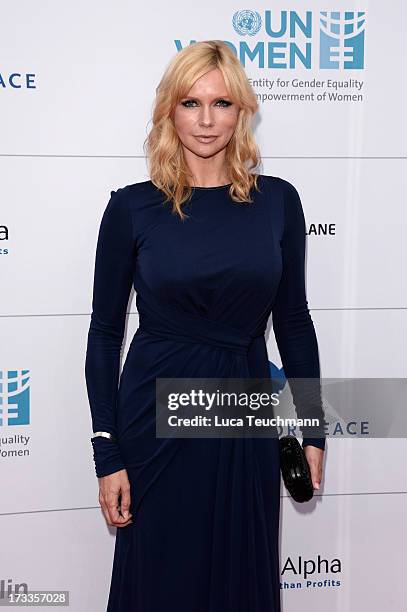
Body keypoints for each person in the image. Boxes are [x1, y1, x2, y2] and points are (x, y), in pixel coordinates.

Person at [85, 39, 325, 612]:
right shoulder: (132, 209)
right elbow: (103, 334)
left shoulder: (279, 203)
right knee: (162, 576)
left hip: (243, 413)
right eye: (191, 103)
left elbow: (293, 322)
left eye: (222, 104)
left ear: (242, 111)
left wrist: (313, 428)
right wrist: (106, 452)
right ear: (170, 110)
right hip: (157, 417)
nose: (207, 120)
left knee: (242, 574)